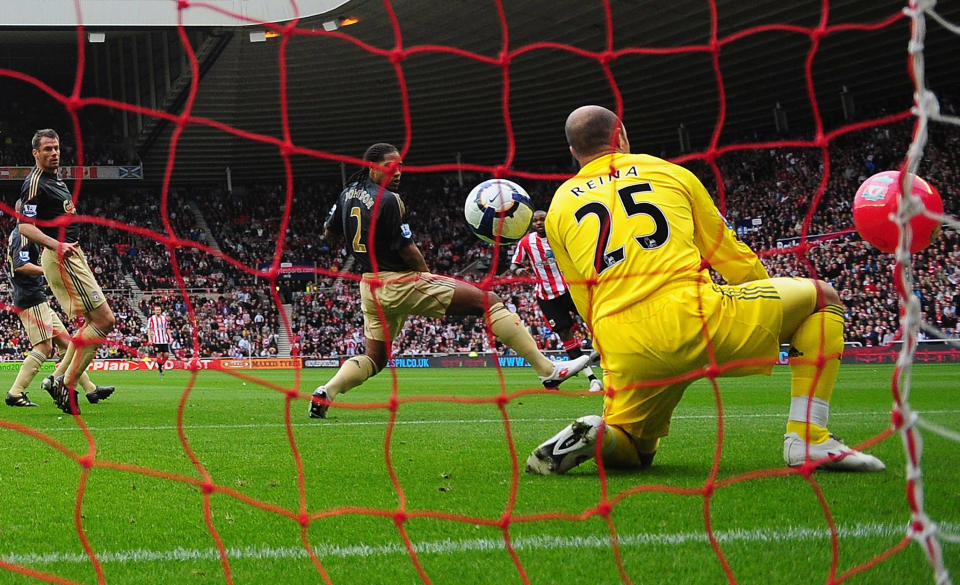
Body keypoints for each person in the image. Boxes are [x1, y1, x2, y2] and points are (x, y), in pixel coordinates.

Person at [525, 105, 884, 475]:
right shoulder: (669, 173)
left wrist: (611, 352)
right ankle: (808, 437)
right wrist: (768, 308)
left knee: (635, 450)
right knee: (822, 298)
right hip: (697, 316)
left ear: (573, 152)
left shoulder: (558, 209)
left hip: (624, 342)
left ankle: (600, 436)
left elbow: (583, 296)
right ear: (621, 136)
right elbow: (729, 255)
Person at [309, 143, 593, 419]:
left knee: (375, 359)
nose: (397, 172)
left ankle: (327, 391)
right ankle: (547, 371)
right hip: (399, 282)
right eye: (389, 167)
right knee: (489, 301)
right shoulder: (390, 199)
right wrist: (426, 275)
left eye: (400, 166)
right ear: (372, 167)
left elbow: (328, 233)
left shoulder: (347, 193)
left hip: (369, 286)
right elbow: (407, 247)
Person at [17, 128, 117, 415]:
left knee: (92, 322)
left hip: (71, 254)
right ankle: (65, 382)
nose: (54, 153)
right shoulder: (35, 183)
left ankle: (58, 378)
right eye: (47, 149)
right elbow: (24, 226)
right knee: (104, 320)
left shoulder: (54, 179)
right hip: (61, 256)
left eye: (56, 148)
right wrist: (56, 245)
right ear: (35, 153)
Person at [5, 218, 115, 410]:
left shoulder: (24, 234)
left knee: (67, 342)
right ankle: (16, 392)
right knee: (44, 348)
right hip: (31, 298)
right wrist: (47, 271)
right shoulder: (23, 234)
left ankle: (90, 389)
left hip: (36, 298)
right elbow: (20, 265)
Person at [510, 209, 603, 392]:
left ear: (548, 220)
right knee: (565, 335)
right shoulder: (526, 242)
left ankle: (609, 359)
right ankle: (592, 379)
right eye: (535, 221)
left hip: (570, 289)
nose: (538, 223)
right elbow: (514, 263)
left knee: (596, 321)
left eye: (542, 220)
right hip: (547, 297)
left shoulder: (559, 236)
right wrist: (518, 271)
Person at [146, 305, 171, 375]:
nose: (158, 311)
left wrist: (170, 337)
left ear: (161, 310)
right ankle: (160, 369)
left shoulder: (164, 319)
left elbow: (167, 328)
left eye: (159, 310)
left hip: (164, 339)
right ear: (154, 311)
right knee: (159, 354)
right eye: (156, 310)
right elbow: (149, 329)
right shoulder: (151, 319)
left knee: (166, 355)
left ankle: (160, 365)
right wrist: (149, 339)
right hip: (156, 340)